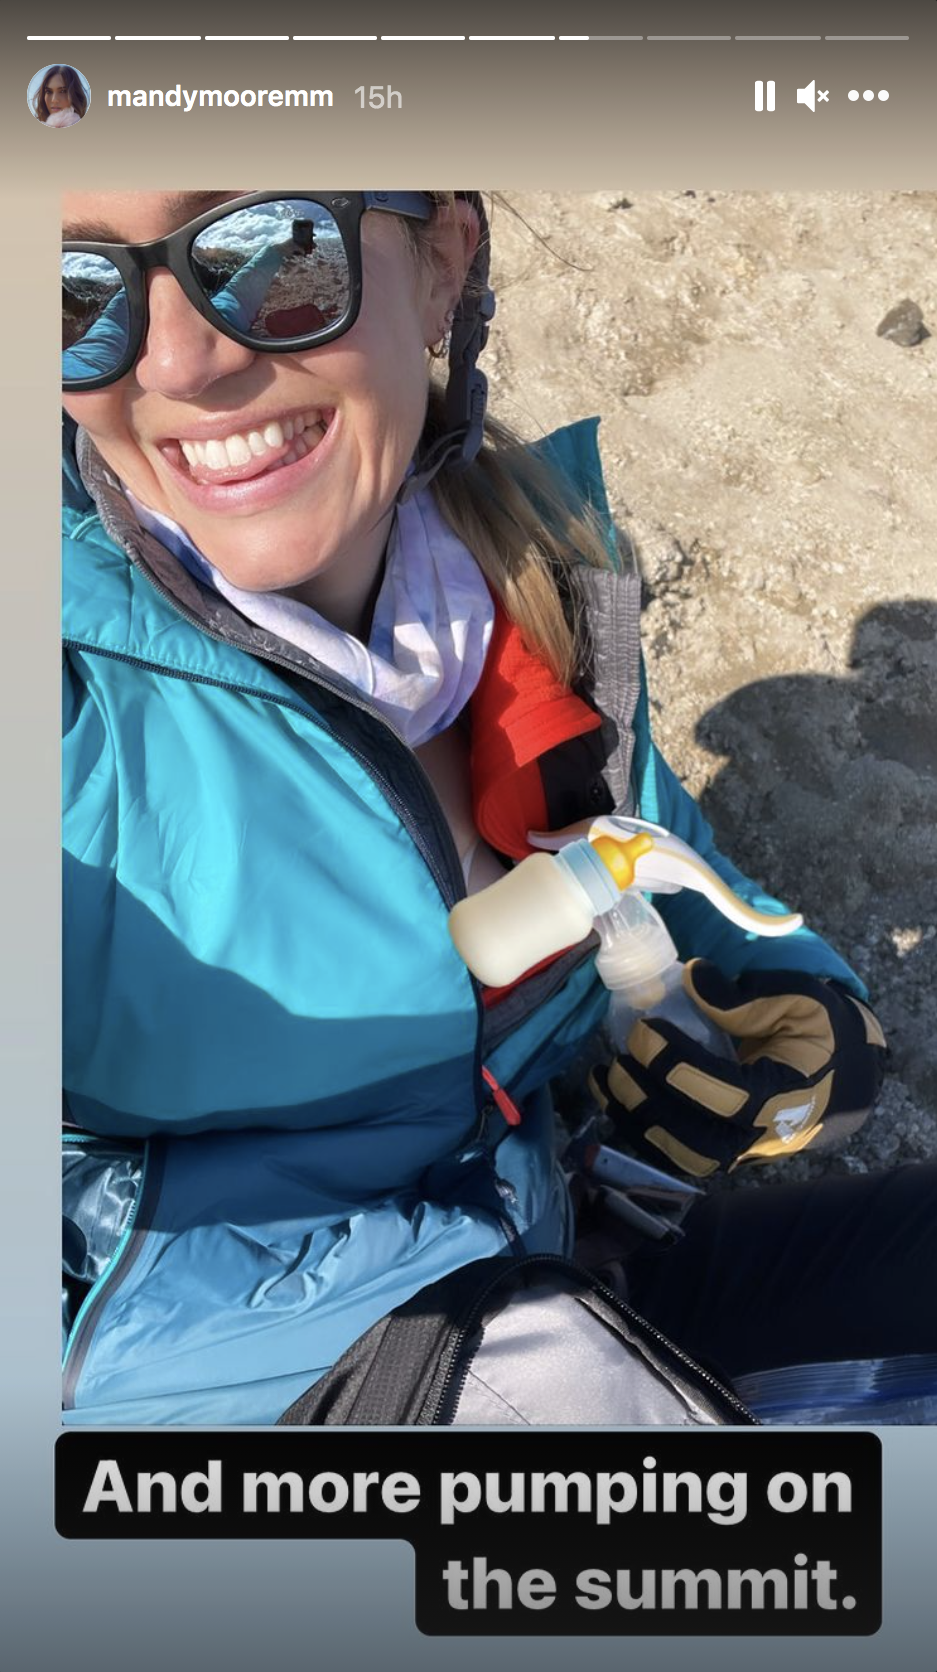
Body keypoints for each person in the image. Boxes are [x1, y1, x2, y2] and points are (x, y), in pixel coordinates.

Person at [61, 190, 937, 1427]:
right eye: (71, 288)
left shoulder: (521, 580)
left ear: (439, 262)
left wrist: (799, 1013)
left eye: (269, 248)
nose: (178, 360)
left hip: (564, 1268)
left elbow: (664, 866)